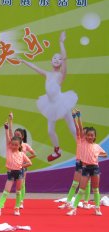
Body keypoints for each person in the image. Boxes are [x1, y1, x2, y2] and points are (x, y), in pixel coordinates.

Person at [19, 31, 77, 161]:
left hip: (61, 103)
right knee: (50, 131)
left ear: (61, 63)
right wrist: (23, 61)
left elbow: (65, 58)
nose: (57, 60)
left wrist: (61, 42)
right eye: (54, 58)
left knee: (72, 128)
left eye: (59, 59)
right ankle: (57, 150)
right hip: (50, 105)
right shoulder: (47, 74)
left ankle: (83, 149)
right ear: (51, 61)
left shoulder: (61, 75)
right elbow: (35, 67)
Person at [0, 118, 32, 216]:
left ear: (19, 146)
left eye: (16, 145)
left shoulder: (22, 154)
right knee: (6, 192)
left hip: (19, 174)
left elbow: (29, 163)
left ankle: (17, 208)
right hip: (11, 173)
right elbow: (8, 137)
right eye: (12, 144)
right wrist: (6, 128)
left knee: (18, 192)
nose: (13, 146)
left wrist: (21, 166)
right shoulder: (9, 149)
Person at [67, 126, 107, 216]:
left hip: (95, 169)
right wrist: (77, 118)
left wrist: (98, 155)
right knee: (81, 190)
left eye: (92, 135)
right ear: (85, 136)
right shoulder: (82, 143)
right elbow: (79, 129)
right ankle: (73, 209)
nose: (90, 137)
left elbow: (105, 155)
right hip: (85, 169)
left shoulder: (97, 146)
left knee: (96, 189)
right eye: (88, 135)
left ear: (95, 136)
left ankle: (97, 209)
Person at [60, 109, 90, 209]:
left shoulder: (87, 141)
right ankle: (68, 202)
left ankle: (86, 202)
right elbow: (78, 129)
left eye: (84, 132)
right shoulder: (79, 139)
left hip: (87, 163)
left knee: (87, 183)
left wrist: (79, 116)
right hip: (79, 162)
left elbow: (80, 128)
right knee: (74, 184)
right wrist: (74, 118)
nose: (81, 132)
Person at [8, 113, 36, 208]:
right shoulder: (13, 143)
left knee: (22, 184)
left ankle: (21, 202)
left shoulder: (25, 145)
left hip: (22, 167)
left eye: (18, 135)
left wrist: (25, 161)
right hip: (13, 167)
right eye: (15, 135)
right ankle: (2, 202)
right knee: (10, 184)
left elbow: (34, 154)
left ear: (22, 136)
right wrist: (11, 119)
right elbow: (10, 131)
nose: (16, 136)